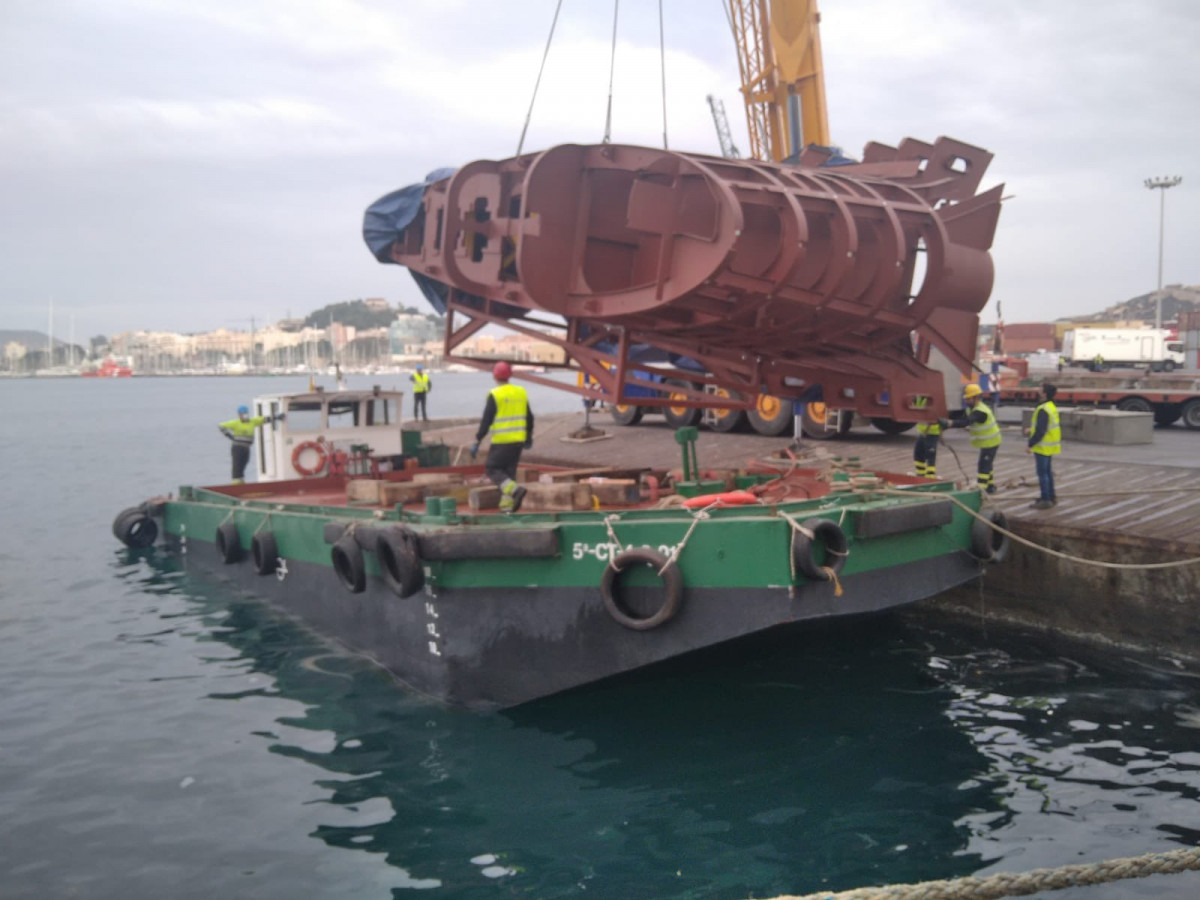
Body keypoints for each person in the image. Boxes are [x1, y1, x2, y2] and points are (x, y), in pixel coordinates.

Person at [470, 361, 534, 512]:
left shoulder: (495, 394)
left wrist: (477, 440)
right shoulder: (520, 392)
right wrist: (528, 437)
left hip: (502, 441)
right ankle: (507, 507)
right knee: (508, 474)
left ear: (495, 376)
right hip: (518, 440)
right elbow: (529, 417)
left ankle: (515, 491)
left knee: (492, 469)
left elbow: (487, 420)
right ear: (509, 375)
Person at [952, 383, 1002, 493]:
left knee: (983, 466)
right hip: (988, 441)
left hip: (991, 442)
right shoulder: (973, 408)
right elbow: (962, 418)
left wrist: (949, 424)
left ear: (975, 398)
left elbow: (966, 422)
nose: (966, 401)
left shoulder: (980, 411)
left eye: (968, 398)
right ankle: (990, 487)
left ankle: (981, 491)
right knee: (987, 464)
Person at [218, 405, 283, 484]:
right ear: (239, 415)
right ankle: (235, 484)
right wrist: (229, 436)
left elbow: (264, 419)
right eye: (242, 414)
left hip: (246, 448)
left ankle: (241, 482)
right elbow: (221, 425)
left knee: (244, 464)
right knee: (237, 466)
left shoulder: (252, 421)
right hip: (237, 447)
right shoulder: (236, 423)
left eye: (246, 413)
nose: (244, 415)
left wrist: (276, 417)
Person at [1025, 383, 1061, 509]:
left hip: (1042, 446)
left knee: (1042, 473)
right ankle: (1051, 496)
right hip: (1050, 445)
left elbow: (1041, 430)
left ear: (1044, 393)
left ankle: (1045, 499)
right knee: (1048, 472)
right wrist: (1031, 429)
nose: (1038, 390)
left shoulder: (1043, 409)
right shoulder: (1051, 406)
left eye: (1040, 389)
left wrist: (1030, 444)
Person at [911, 396, 948, 479]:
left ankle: (930, 477)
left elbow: (935, 417)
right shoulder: (918, 398)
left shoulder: (931, 398)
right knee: (918, 453)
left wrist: (938, 433)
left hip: (932, 433)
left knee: (930, 456)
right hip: (923, 433)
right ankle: (920, 474)